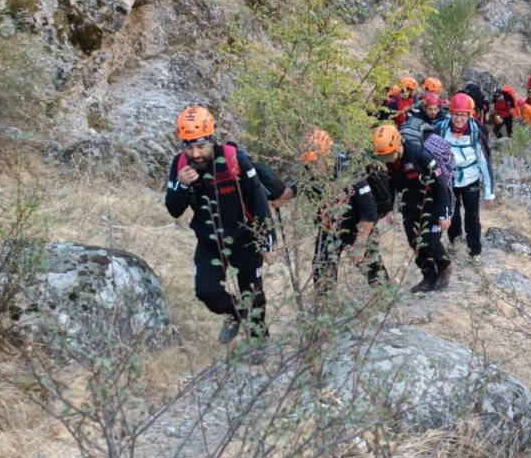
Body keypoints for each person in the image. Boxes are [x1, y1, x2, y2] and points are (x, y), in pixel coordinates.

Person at [165, 105, 276, 344]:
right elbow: (174, 210)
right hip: (209, 239)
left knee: (252, 294)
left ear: (211, 139)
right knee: (207, 292)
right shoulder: (179, 166)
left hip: (244, 236)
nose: (195, 153)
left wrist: (268, 241)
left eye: (200, 145)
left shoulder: (235, 159)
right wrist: (181, 185)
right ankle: (236, 314)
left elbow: (258, 200)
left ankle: (259, 343)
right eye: (189, 146)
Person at [272, 129, 390, 292]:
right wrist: (280, 197)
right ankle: (325, 306)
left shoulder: (348, 170)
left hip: (357, 226)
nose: (311, 167)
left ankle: (385, 295)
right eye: (308, 163)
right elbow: (299, 185)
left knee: (370, 264)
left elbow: (369, 211)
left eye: (315, 162)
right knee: (322, 269)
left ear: (327, 156)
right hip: (328, 228)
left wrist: (360, 243)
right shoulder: (309, 169)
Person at [372, 123, 453, 294]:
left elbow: (441, 184)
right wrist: (389, 209)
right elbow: (391, 186)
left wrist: (445, 213)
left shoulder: (420, 155)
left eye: (388, 156)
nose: (387, 161)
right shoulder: (390, 164)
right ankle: (428, 276)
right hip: (409, 206)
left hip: (432, 203)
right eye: (383, 157)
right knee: (415, 244)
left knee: (430, 241)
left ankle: (444, 267)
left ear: (397, 146)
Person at [436, 93, 494, 259]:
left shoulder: (477, 132)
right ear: (450, 113)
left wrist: (490, 193)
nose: (459, 119)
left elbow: (485, 162)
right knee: (452, 213)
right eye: (456, 114)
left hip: (470, 178)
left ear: (469, 115)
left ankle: (474, 250)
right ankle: (453, 240)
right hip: (449, 179)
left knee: (472, 216)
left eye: (463, 115)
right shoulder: (441, 129)